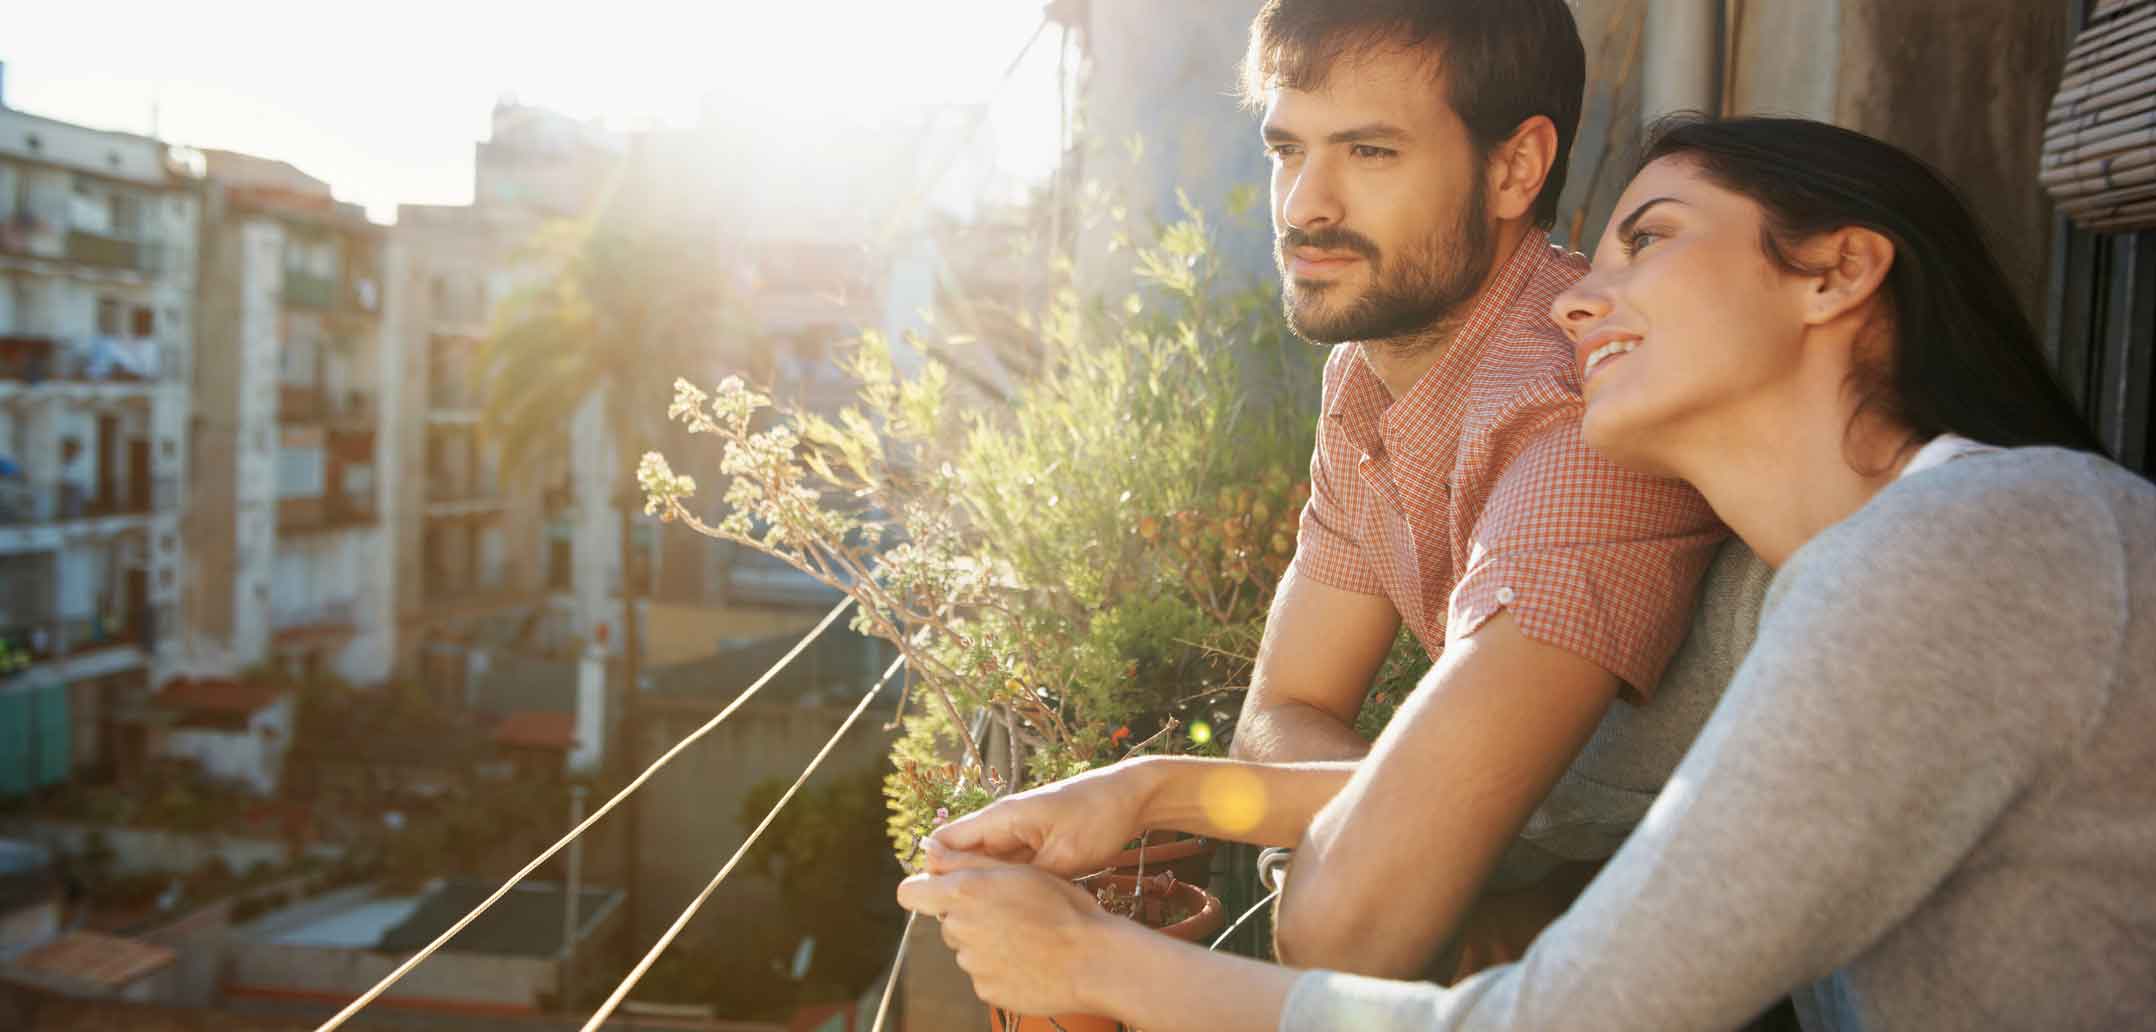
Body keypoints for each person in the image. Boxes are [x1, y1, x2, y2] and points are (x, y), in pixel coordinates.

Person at [897, 116, 2156, 1031]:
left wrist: (1093, 967)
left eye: (1645, 241)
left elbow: (1555, 1023)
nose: (1572, 304)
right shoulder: (1775, 604)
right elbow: (1504, 802)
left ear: (1836, 269)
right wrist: (1149, 796)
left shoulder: (1985, 541)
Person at [1210, 0, 1733, 976]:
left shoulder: (1579, 409)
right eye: (1287, 148)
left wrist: (1391, 851)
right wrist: (1416, 847)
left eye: (1368, 152)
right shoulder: (1371, 371)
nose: (1302, 206)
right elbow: (1280, 710)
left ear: (1513, 168)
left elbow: (1350, 926)